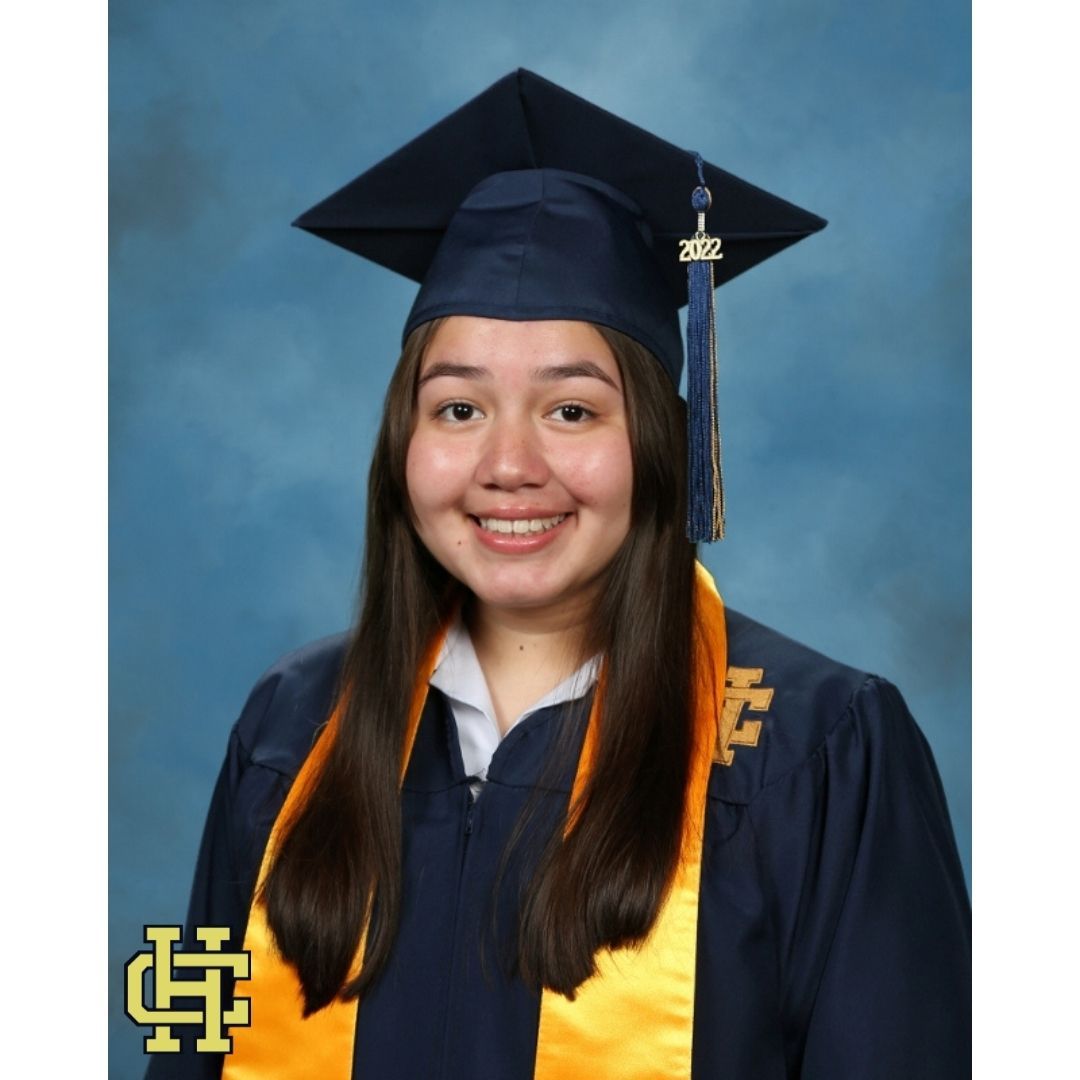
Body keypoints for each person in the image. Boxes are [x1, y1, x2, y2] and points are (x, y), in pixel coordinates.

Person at [146, 70, 970, 1079]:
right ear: (403, 441)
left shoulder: (817, 750)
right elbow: (185, 1043)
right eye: (458, 409)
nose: (508, 464)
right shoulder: (287, 728)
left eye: (572, 409)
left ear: (661, 442)